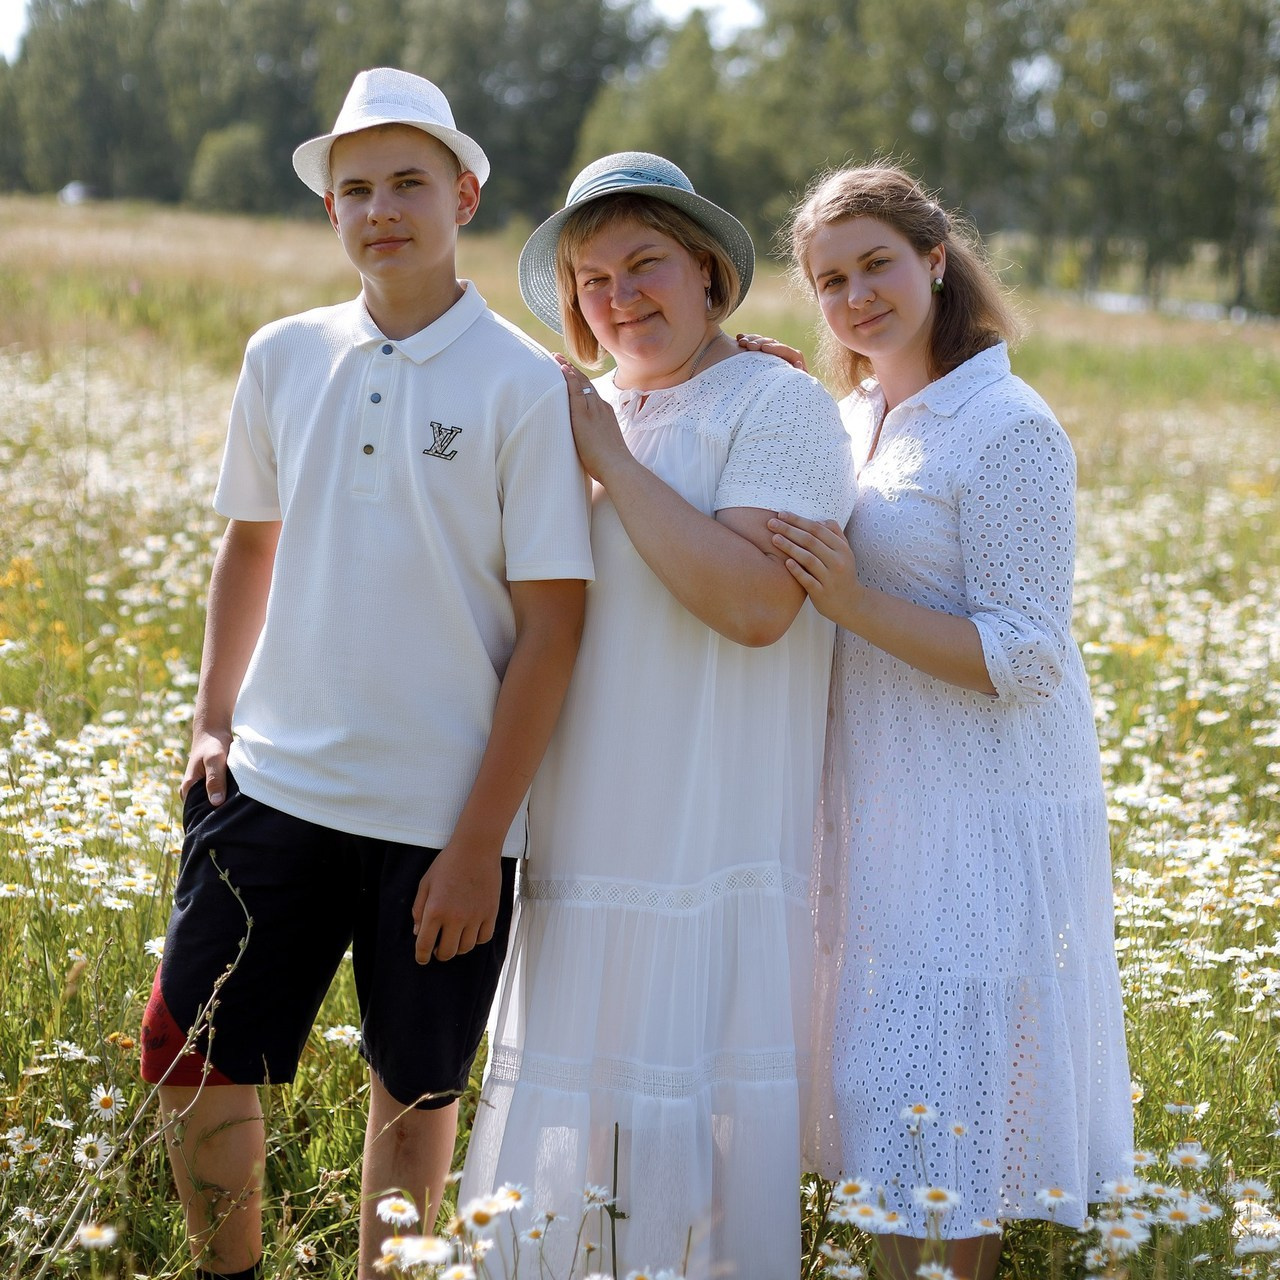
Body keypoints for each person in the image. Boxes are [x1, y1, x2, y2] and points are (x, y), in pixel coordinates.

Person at [138, 68, 594, 1280]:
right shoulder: (281, 354)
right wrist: (210, 720)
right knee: (189, 1056)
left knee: (414, 1093)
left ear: (464, 195)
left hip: (441, 820)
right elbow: (249, 543)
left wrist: (478, 840)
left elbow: (553, 627)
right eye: (355, 189)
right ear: (328, 207)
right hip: (274, 785)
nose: (380, 209)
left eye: (407, 183)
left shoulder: (522, 383)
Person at [460, 153, 855, 1278]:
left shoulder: (778, 404)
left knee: (693, 1118)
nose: (619, 297)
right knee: (585, 1124)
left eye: (646, 265)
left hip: (704, 828)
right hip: (584, 826)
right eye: (591, 280)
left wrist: (611, 461)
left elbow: (756, 606)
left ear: (708, 272)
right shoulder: (576, 408)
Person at [760, 162, 1132, 1280]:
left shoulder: (1006, 425)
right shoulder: (852, 416)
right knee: (883, 1086)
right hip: (878, 799)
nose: (854, 296)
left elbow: (1028, 655)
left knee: (958, 1094)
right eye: (830, 281)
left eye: (875, 264)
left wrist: (851, 603)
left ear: (934, 259)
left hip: (979, 806)